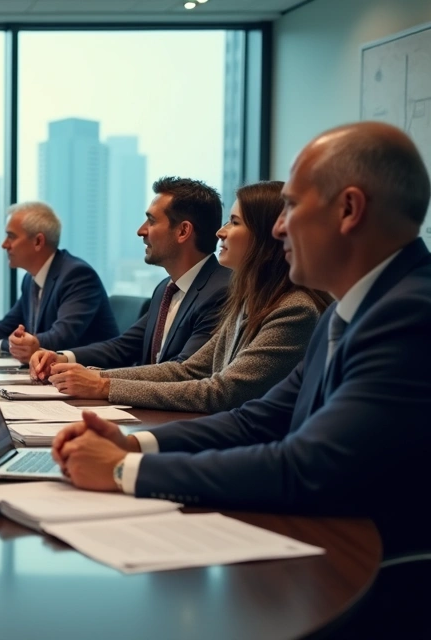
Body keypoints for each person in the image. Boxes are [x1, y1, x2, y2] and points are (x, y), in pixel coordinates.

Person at [51, 122, 431, 564]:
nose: (279, 229)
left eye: (290, 206)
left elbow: (304, 465)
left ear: (349, 210)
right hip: (323, 545)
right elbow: (257, 420)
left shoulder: (409, 315)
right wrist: (132, 445)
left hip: (374, 575)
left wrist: (123, 470)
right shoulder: (347, 310)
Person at [44, 181, 331, 413]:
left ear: (267, 238)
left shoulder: (294, 310)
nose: (221, 231)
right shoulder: (247, 302)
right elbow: (189, 370)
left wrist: (103, 386)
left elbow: (222, 392)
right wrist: (96, 377)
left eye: (234, 222)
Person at [30, 177, 233, 376]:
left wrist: (97, 380)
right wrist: (62, 358)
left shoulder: (222, 291)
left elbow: (182, 372)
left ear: (183, 231)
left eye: (151, 221)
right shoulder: (166, 288)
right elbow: (122, 347)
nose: (141, 231)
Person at [0, 202, 117, 356]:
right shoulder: (30, 279)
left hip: (89, 384)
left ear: (38, 241)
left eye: (11, 237)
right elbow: (6, 327)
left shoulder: (77, 275)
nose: (4, 245)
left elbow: (60, 338)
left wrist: (5, 344)